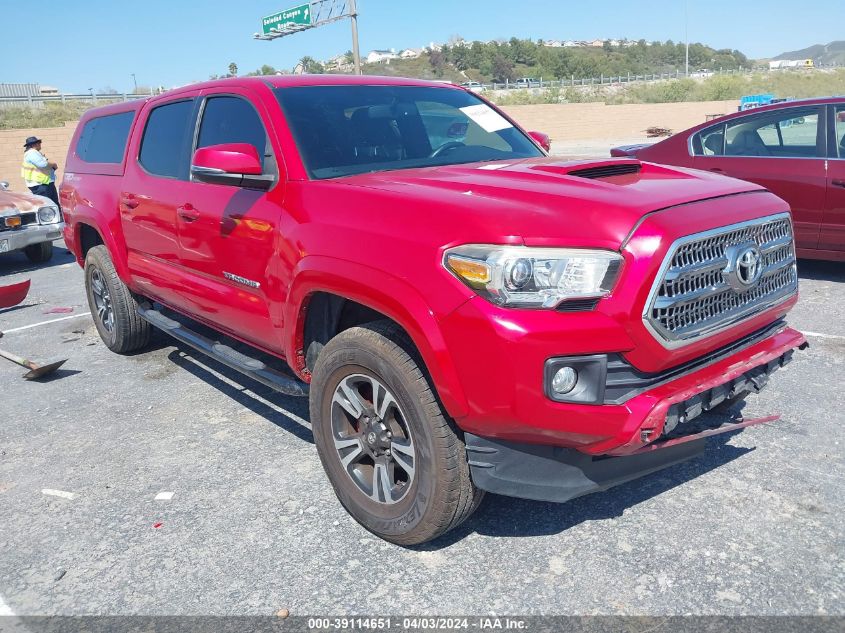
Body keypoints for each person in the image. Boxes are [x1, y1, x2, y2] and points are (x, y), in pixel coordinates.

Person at [21, 136, 60, 207]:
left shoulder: (32, 153)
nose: (40, 144)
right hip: (41, 184)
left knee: (52, 205)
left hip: (43, 183)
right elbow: (43, 164)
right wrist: (53, 164)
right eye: (39, 143)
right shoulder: (32, 153)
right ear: (34, 145)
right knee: (49, 206)